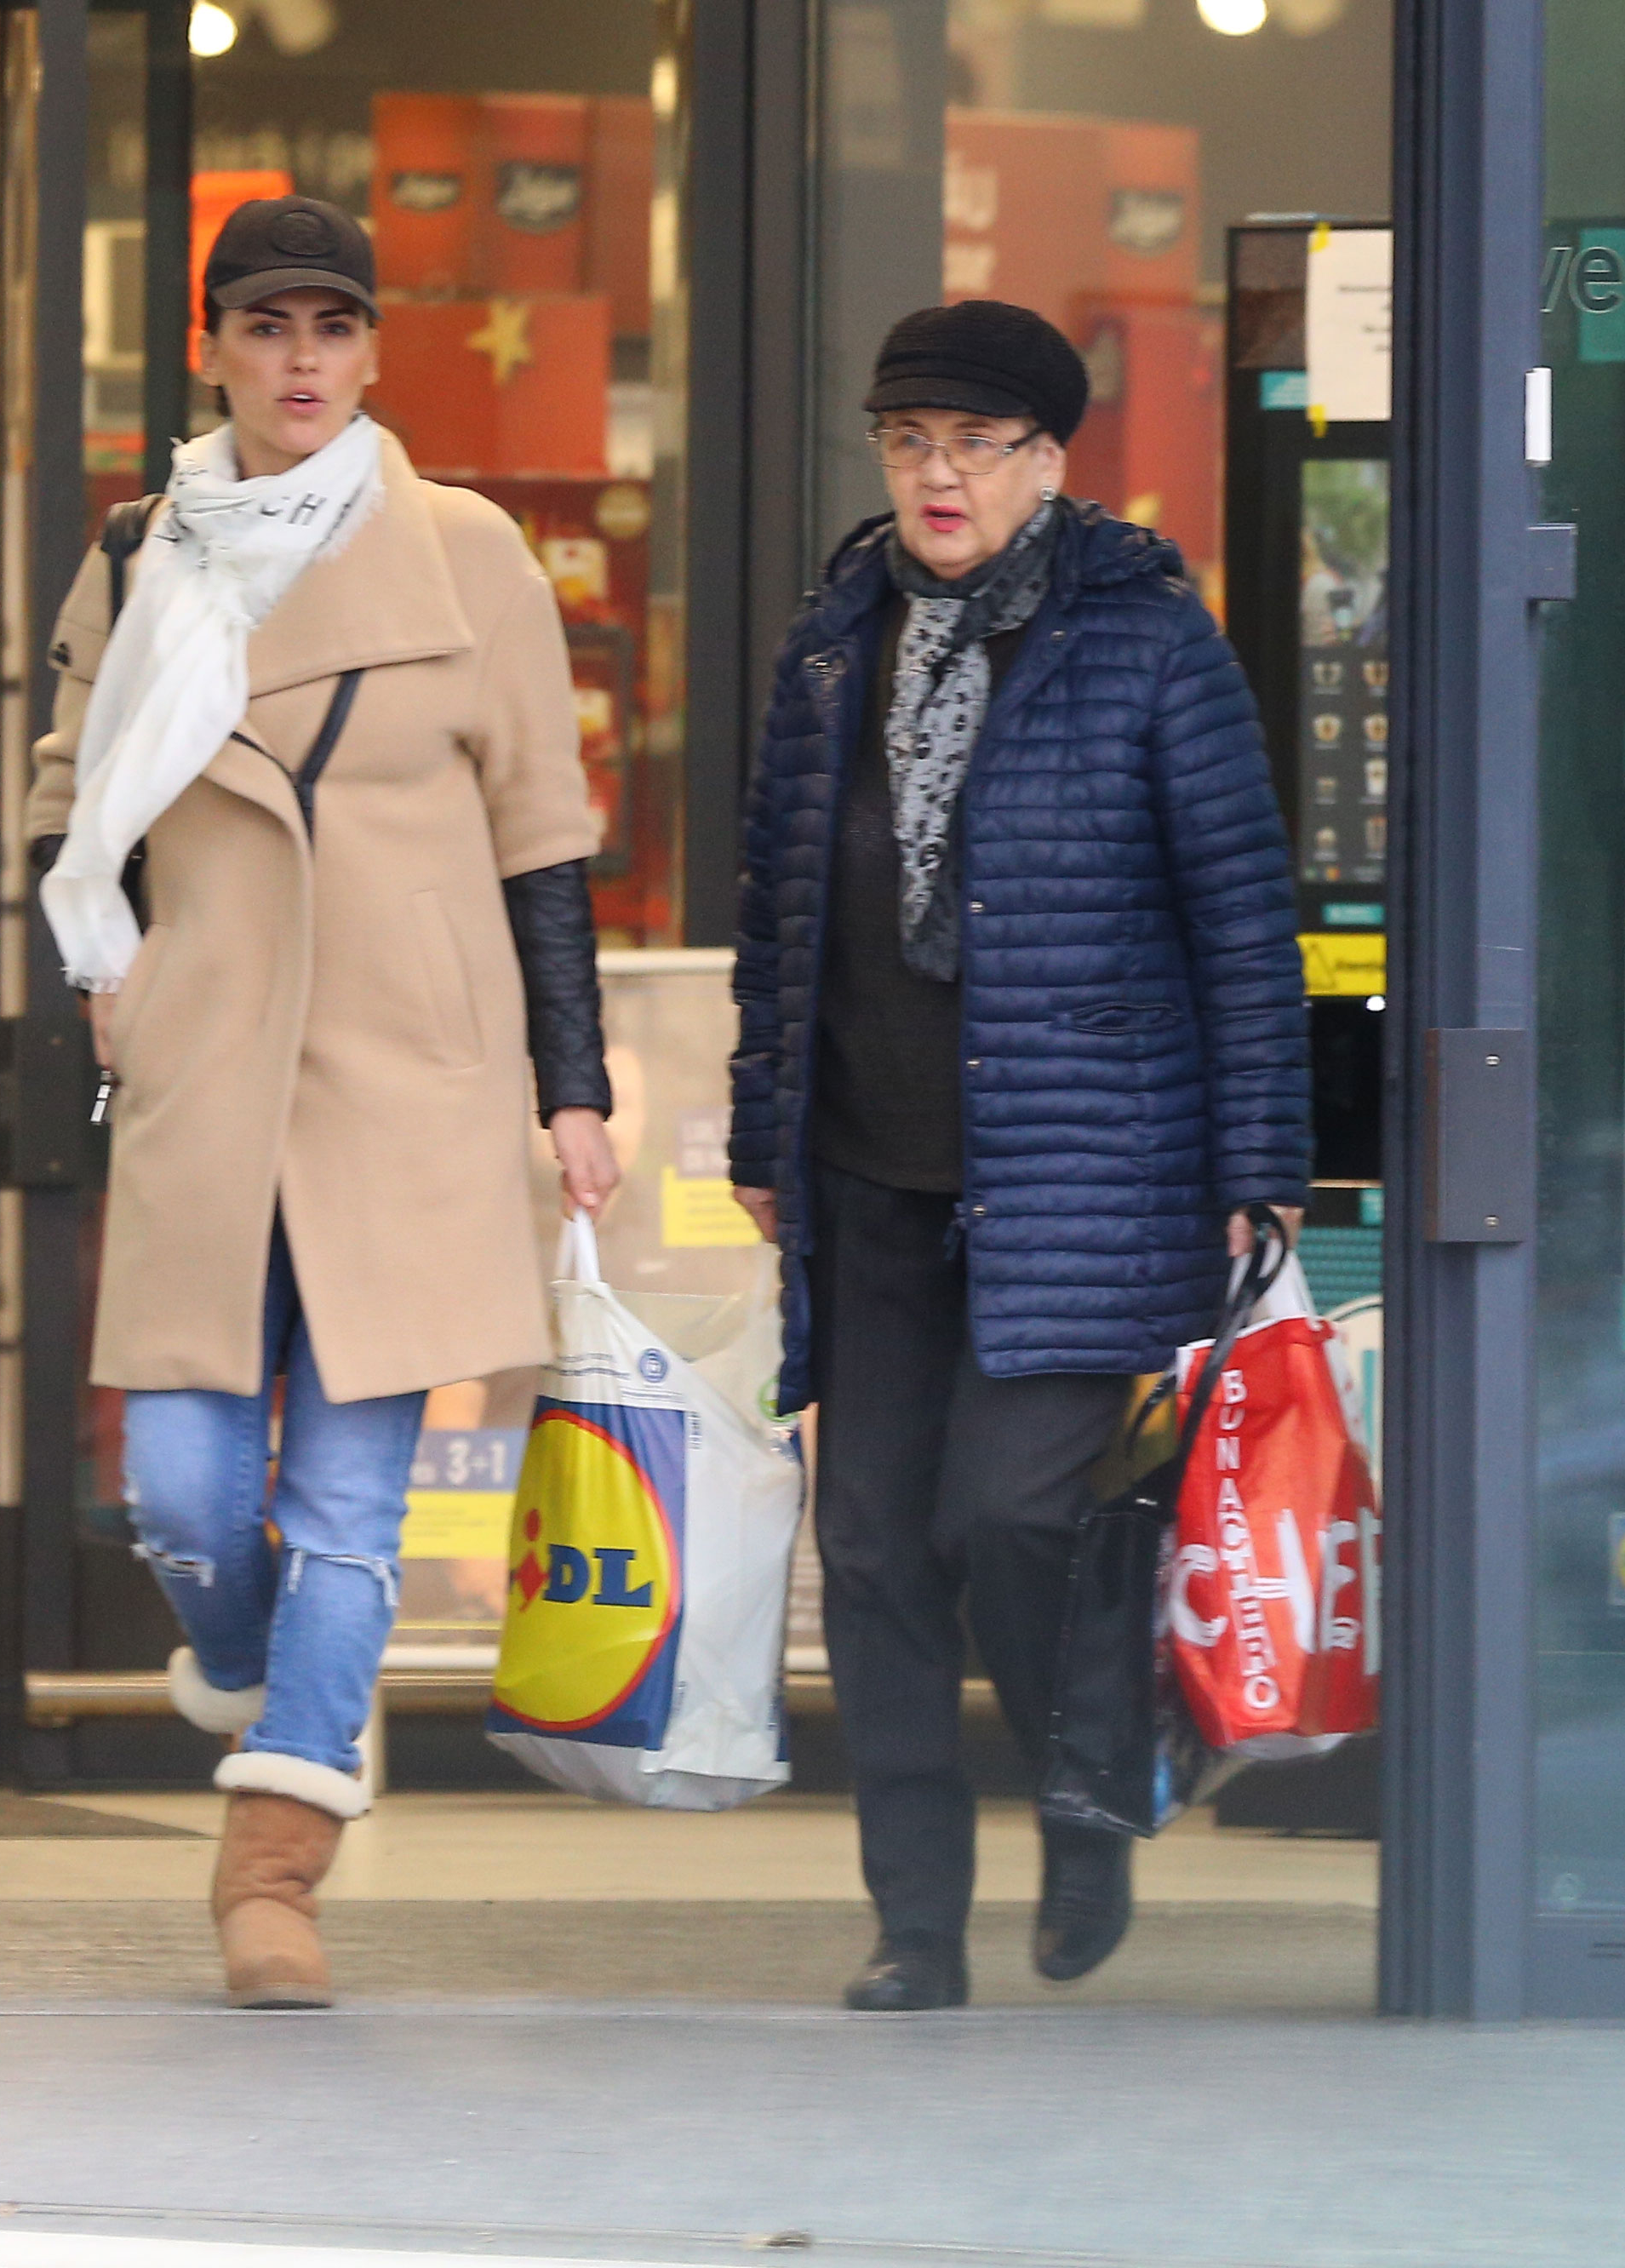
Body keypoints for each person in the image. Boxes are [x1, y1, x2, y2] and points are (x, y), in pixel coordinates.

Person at [27, 196, 619, 2008]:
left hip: (405, 1077)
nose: (300, 361)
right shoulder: (140, 554)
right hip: (209, 1067)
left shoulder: (466, 553)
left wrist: (574, 1090)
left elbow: (543, 838)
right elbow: (64, 789)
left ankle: (271, 1879)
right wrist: (110, 977)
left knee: (351, 1505)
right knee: (185, 1492)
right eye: (266, 327)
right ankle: (256, 1674)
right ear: (208, 347)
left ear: (371, 351)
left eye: (332, 327)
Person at [730, 301, 1309, 2012]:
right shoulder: (835, 638)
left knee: (1005, 1516)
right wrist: (764, 1126)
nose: (939, 474)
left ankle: (1091, 1787)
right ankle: (916, 1924)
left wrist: (1260, 1157)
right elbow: (778, 917)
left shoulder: (1148, 641)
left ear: (1050, 462)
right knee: (875, 1550)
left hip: (1083, 1172)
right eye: (910, 441)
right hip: (867, 1175)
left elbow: (1243, 921)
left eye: (977, 445)